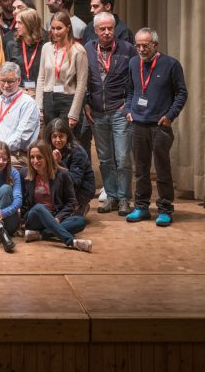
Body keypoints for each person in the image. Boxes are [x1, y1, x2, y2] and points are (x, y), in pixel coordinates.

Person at [125, 27, 187, 226]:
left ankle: (165, 208)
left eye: (146, 45)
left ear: (155, 45)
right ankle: (141, 207)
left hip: (160, 126)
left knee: (162, 169)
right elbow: (130, 90)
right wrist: (128, 109)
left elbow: (181, 93)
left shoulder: (171, 64)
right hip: (138, 125)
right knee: (140, 169)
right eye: (138, 45)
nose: (141, 49)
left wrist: (170, 115)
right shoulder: (133, 63)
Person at [83, 12, 136, 215]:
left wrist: (128, 104)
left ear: (115, 29)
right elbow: (84, 79)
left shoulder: (127, 49)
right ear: (95, 31)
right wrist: (87, 103)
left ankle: (124, 199)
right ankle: (112, 196)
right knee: (105, 159)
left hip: (119, 111)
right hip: (96, 112)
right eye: (102, 29)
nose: (106, 32)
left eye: (110, 28)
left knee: (122, 157)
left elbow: (135, 80)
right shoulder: (87, 49)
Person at [21, 140, 92, 252]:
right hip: (35, 218)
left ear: (47, 157)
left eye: (39, 157)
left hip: (55, 216)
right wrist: (22, 222)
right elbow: (22, 201)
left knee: (80, 221)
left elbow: (71, 202)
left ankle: (41, 234)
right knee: (40, 208)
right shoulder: (24, 174)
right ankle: (71, 242)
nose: (35, 161)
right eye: (32, 157)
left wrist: (58, 218)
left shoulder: (63, 174)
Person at [36, 12, 88, 130]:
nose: (55, 32)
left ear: (68, 28)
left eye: (59, 28)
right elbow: (41, 78)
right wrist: (39, 107)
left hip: (68, 100)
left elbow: (81, 84)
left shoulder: (78, 50)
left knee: (68, 142)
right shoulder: (46, 48)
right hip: (48, 99)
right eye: (53, 28)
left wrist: (74, 114)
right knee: (50, 141)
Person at [45, 118, 96, 216]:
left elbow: (75, 181)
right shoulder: (48, 149)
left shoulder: (77, 152)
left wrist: (59, 163)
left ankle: (80, 205)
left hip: (81, 190)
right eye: (54, 136)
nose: (58, 140)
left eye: (61, 136)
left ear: (67, 136)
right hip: (61, 188)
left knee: (67, 218)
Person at [5, 8, 44, 96]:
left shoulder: (44, 46)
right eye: (16, 22)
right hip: (17, 94)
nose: (16, 26)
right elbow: (7, 74)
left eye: (19, 23)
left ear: (30, 24)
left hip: (39, 95)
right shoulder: (11, 45)